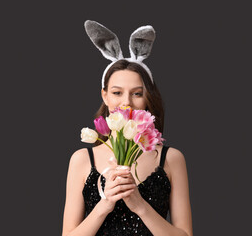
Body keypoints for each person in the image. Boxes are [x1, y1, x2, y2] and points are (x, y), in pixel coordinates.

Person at [61, 20, 193, 236]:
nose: (126, 103)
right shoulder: (82, 160)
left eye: (137, 93)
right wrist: (104, 205)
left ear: (147, 99)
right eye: (116, 92)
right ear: (105, 96)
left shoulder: (171, 159)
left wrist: (140, 206)